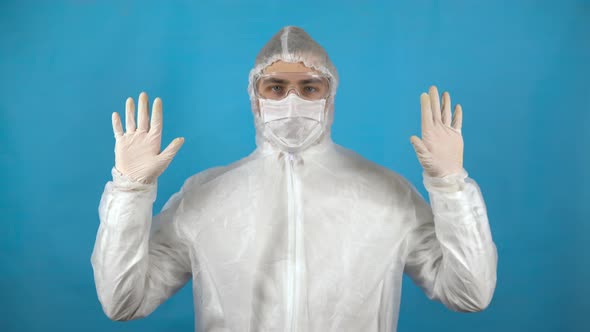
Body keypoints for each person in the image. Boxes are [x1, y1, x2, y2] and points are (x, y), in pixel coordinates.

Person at [91, 26, 497, 332]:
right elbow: (123, 302)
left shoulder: (386, 194)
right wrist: (130, 191)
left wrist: (450, 185)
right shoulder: (205, 197)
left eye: (309, 87)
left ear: (329, 96)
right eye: (276, 87)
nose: (292, 101)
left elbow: (469, 293)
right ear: (255, 97)